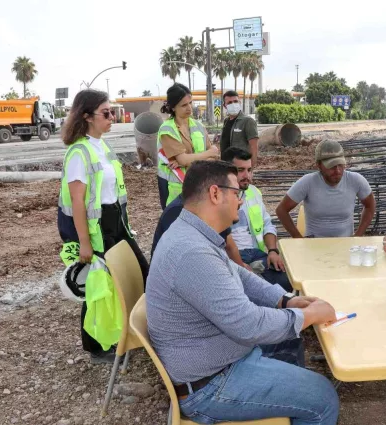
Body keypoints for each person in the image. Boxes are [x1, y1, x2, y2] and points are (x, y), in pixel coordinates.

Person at [147, 160, 340, 424]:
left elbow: (239, 273)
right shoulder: (192, 252)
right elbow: (249, 324)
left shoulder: (192, 232)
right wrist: (309, 316)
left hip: (217, 359)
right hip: (211, 385)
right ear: (215, 194)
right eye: (237, 192)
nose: (241, 200)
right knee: (323, 397)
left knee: (290, 344)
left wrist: (285, 300)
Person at [57, 89, 149, 364]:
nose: (112, 117)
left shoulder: (102, 147)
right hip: (97, 230)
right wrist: (85, 242)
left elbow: (112, 192)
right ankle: (96, 347)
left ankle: (128, 332)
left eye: (113, 112)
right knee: (100, 285)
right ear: (87, 117)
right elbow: (77, 202)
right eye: (106, 113)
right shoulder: (78, 153)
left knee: (138, 274)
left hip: (115, 223)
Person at [222, 147, 292, 292]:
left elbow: (267, 224)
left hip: (255, 253)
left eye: (249, 170)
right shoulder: (217, 197)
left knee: (286, 284)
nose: (246, 175)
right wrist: (239, 265)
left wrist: (273, 251)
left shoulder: (253, 192)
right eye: (240, 170)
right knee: (257, 293)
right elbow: (220, 238)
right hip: (228, 258)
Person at [276, 140, 376, 238]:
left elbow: (370, 206)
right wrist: (298, 238)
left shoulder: (355, 180)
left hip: (345, 243)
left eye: (340, 165)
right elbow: (281, 210)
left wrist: (358, 236)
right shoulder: (308, 182)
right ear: (319, 165)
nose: (337, 170)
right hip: (315, 243)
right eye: (331, 166)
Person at [157, 83, 219, 209]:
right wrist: (208, 154)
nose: (189, 108)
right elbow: (183, 159)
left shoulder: (198, 125)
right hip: (175, 190)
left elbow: (214, 158)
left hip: (201, 185)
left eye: (190, 102)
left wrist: (188, 160)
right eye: (184, 105)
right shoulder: (167, 129)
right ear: (173, 107)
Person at [150, 193, 249, 271]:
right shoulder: (178, 211)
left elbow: (229, 246)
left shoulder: (208, 209)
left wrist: (242, 271)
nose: (240, 202)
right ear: (214, 193)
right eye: (235, 194)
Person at [220, 90, 259, 167]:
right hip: (225, 165)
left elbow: (254, 147)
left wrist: (250, 169)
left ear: (240, 103)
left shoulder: (248, 121)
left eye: (235, 101)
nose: (233, 104)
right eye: (229, 103)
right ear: (224, 106)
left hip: (240, 166)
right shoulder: (226, 121)